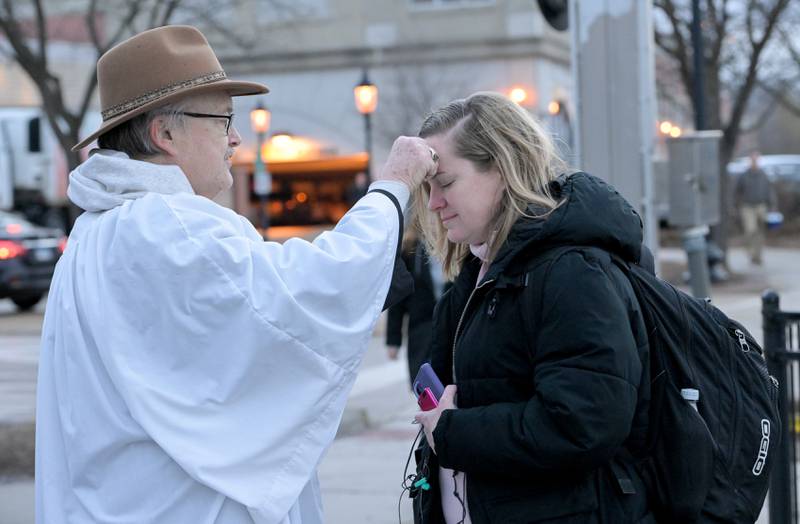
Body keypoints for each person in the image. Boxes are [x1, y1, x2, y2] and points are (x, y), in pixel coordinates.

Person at [35, 25, 437, 524]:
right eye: (223, 118)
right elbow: (306, 295)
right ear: (164, 134)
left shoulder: (92, 237)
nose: (236, 137)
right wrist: (392, 187)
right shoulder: (167, 225)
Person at [411, 92, 653, 523]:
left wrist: (452, 432)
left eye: (445, 183)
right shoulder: (477, 274)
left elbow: (582, 423)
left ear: (502, 169)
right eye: (428, 187)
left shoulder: (572, 273)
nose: (433, 203)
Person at [385, 228, 447, 385]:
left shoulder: (457, 243)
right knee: (425, 386)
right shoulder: (410, 249)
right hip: (421, 330)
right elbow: (398, 300)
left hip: (449, 329)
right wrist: (393, 340)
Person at [734, 151, 776, 265]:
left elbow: (769, 191)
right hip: (748, 206)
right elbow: (737, 192)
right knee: (750, 230)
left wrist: (772, 206)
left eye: (756, 159)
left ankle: (758, 256)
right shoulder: (744, 175)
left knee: (760, 232)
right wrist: (736, 206)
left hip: (761, 206)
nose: (754, 161)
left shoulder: (763, 174)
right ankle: (751, 253)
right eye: (753, 159)